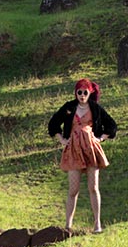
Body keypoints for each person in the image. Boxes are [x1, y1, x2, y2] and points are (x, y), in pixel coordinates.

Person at [47, 78, 117, 233]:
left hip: (91, 149)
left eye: (85, 92)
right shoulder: (69, 107)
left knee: (93, 187)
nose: (82, 95)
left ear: (90, 92)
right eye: (79, 92)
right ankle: (68, 225)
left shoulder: (96, 108)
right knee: (73, 189)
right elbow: (53, 124)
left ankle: (97, 224)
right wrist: (62, 140)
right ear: (75, 93)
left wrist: (100, 138)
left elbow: (112, 125)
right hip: (73, 149)